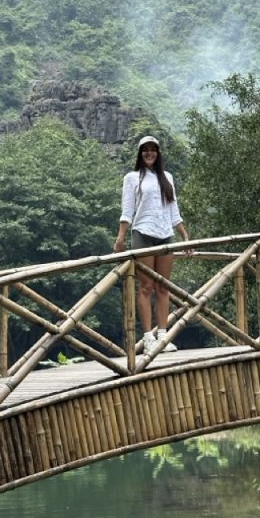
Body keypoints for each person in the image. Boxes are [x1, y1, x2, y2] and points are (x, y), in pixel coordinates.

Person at [113, 135, 190, 356]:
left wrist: (185, 237)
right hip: (142, 233)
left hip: (165, 234)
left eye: (153, 149)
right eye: (145, 150)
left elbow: (174, 211)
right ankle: (148, 338)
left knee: (163, 286)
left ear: (158, 153)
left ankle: (163, 336)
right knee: (145, 287)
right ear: (140, 153)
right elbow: (127, 210)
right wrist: (120, 238)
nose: (149, 153)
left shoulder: (167, 177)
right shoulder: (132, 178)